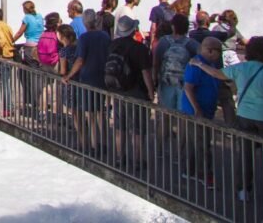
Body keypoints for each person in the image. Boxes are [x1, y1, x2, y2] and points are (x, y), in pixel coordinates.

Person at [189, 36, 263, 206]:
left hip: (245, 115)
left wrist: (199, 64)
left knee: (245, 154)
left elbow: (217, 74)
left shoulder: (240, 68)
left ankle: (243, 191)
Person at [106, 16, 156, 171]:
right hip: (137, 93)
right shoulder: (140, 48)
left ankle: (121, 158)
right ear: (134, 30)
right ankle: (137, 161)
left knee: (120, 127)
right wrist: (150, 91)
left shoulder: (113, 45)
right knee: (138, 130)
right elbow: (146, 72)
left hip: (118, 90)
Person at [63, 10, 110, 155]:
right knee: (100, 113)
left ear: (85, 22)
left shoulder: (84, 38)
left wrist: (69, 75)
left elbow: (80, 60)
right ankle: (104, 143)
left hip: (88, 78)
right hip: (102, 76)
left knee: (91, 113)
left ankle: (94, 147)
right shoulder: (105, 36)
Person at [180, 37, 224, 186]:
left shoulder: (207, 64)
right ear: (210, 50)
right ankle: (205, 174)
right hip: (197, 111)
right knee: (203, 144)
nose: (221, 55)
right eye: (220, 51)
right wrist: (197, 108)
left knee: (195, 142)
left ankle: (189, 171)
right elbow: (188, 88)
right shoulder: (195, 65)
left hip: (204, 109)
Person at [153, 14, 201, 111]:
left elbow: (156, 62)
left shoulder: (164, 41)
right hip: (183, 84)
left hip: (166, 82)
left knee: (165, 113)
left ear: (173, 26)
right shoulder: (191, 43)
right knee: (183, 115)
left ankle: (164, 127)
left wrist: (155, 79)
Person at [13, 1, 45, 66]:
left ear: (25, 9)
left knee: (31, 66)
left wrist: (11, 41)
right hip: (41, 45)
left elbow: (19, 33)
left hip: (31, 46)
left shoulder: (27, 17)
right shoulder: (39, 16)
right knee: (39, 66)